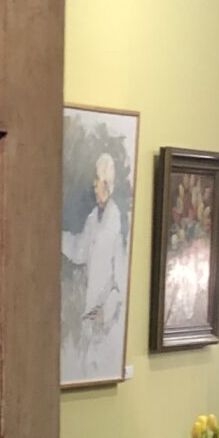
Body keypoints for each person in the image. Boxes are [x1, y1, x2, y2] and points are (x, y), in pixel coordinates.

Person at [64, 151, 126, 366]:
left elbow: (121, 278)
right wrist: (56, 237)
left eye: (97, 179)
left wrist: (105, 311)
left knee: (98, 361)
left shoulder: (117, 223)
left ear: (106, 184)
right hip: (90, 313)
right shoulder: (93, 218)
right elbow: (79, 251)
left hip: (107, 321)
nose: (93, 184)